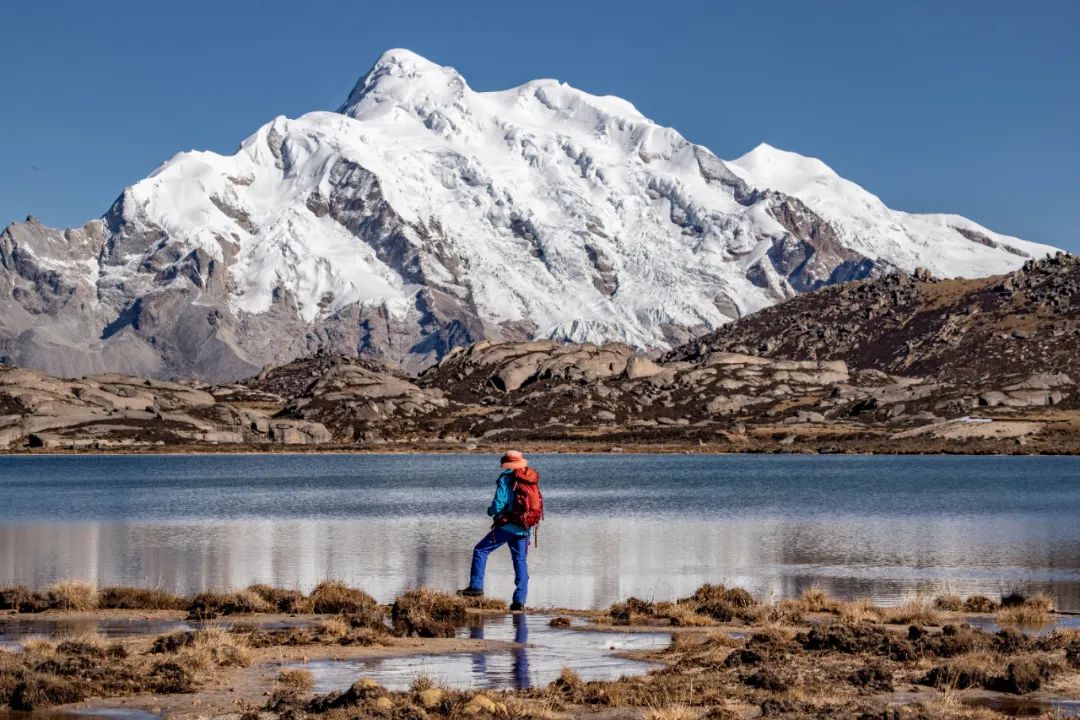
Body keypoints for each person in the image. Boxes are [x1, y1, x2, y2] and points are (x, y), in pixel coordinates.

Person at [458, 450, 542, 611]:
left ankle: (476, 588)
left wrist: (490, 511)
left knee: (480, 550)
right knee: (520, 562)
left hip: (507, 526)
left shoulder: (505, 478)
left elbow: (499, 504)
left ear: (507, 463)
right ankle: (519, 601)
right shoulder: (530, 478)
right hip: (524, 527)